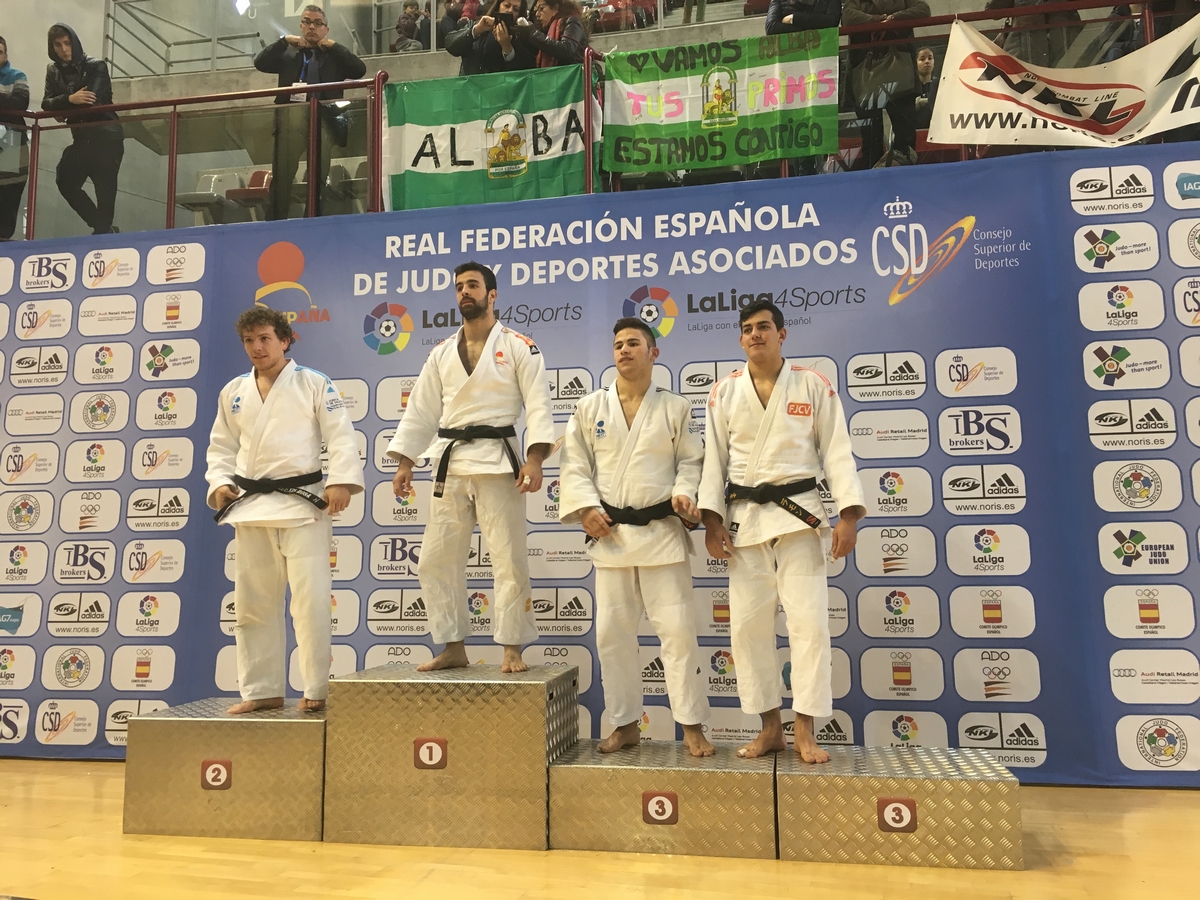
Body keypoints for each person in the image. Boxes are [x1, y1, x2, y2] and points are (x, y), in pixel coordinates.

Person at [698, 301, 864, 763]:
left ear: (782, 334)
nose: (755, 336)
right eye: (747, 330)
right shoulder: (723, 393)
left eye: (764, 328)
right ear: (740, 339)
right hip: (745, 523)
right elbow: (714, 459)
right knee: (747, 631)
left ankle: (806, 729)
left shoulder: (813, 385)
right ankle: (770, 727)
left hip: (799, 519)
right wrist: (712, 520)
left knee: (808, 627)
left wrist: (848, 516)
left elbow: (837, 452)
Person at [387, 262, 555, 673]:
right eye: (459, 286)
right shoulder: (441, 352)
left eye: (473, 285)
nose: (465, 292)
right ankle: (453, 645)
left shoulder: (519, 346)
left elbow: (538, 405)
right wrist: (406, 461)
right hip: (452, 464)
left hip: (499, 464)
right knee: (435, 560)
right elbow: (423, 410)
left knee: (507, 557)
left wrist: (534, 460)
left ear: (492, 294)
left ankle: (512, 646)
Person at [559, 318, 714, 757]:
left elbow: (691, 462)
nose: (624, 350)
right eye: (618, 345)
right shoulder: (590, 408)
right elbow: (574, 465)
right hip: (611, 538)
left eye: (634, 343)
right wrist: (586, 509)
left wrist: (685, 495)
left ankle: (692, 725)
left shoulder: (676, 407)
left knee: (679, 634)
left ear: (653, 353)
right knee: (613, 635)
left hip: (662, 535)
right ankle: (624, 723)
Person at [206, 307, 364, 715]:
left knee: (310, 603)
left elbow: (341, 437)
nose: (257, 348)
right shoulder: (234, 391)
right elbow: (222, 446)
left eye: (265, 339)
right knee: (252, 606)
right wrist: (221, 483)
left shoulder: (314, 384)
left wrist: (340, 481)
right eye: (249, 341)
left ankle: (316, 688)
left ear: (285, 339)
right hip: (252, 507)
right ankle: (261, 689)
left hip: (302, 505)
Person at [253, 4, 366, 219]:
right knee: (283, 177)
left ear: (326, 29)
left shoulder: (334, 57)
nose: (312, 27)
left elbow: (359, 69)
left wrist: (333, 46)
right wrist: (284, 41)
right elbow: (260, 63)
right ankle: (275, 223)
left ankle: (312, 221)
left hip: (323, 125)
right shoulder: (288, 54)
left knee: (318, 178)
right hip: (290, 125)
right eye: (307, 22)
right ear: (300, 26)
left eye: (318, 23)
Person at [41, 24, 124, 236]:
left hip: (106, 135)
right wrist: (69, 99)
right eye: (58, 45)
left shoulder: (96, 66)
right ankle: (102, 228)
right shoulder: (53, 70)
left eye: (67, 43)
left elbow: (89, 102)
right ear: (52, 47)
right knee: (65, 180)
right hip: (82, 137)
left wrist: (64, 109)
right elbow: (46, 103)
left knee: (105, 190)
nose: (64, 49)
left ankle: (103, 229)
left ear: (75, 42)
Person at [842, 0, 928, 168]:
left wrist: (893, 20)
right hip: (865, 74)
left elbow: (923, 9)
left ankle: (904, 179)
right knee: (871, 138)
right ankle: (874, 183)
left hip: (899, 73)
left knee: (906, 136)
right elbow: (848, 17)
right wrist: (881, 21)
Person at [0, 36, 29, 241]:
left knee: (8, 196)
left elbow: (20, 103)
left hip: (11, 143)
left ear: (6, 55)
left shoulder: (17, 76)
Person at [474, 0, 538, 72]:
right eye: (507, 5)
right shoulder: (481, 26)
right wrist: (477, 30)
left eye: (515, 9)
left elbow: (525, 70)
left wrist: (507, 47)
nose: (510, 10)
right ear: (498, 6)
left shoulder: (522, 38)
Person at [526, 0, 588, 66]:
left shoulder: (572, 22)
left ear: (555, 8)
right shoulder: (545, 30)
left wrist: (533, 34)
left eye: (541, 8)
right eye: (536, 11)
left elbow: (567, 50)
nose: (537, 14)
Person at [913, 45, 937, 130]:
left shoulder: (940, 86)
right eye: (922, 59)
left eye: (930, 58)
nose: (927, 61)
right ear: (915, 63)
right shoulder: (909, 89)